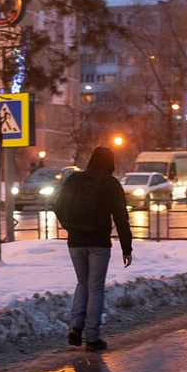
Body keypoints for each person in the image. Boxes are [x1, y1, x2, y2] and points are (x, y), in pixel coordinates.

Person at [53, 146, 133, 352]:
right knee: (95, 287)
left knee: (82, 282)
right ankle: (93, 338)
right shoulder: (111, 185)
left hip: (75, 242)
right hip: (98, 242)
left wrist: (71, 227)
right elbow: (121, 218)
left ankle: (75, 326)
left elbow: (57, 207)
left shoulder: (74, 180)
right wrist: (126, 248)